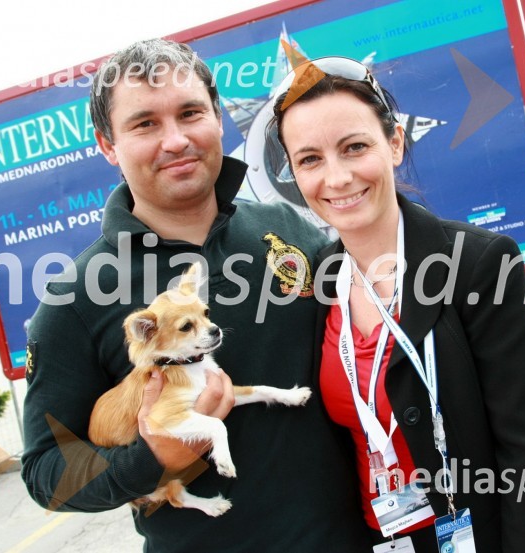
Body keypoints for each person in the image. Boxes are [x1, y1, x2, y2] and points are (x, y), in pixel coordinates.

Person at [21, 39, 372, 552]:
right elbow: (47, 471)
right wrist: (153, 458)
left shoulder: (290, 229)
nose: (176, 139)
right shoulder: (73, 298)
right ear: (107, 145)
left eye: (190, 113)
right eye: (145, 124)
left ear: (217, 118)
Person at [270, 57, 525, 551]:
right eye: (310, 159)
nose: (337, 177)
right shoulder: (318, 282)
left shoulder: (479, 265)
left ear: (393, 143)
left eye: (354, 147)